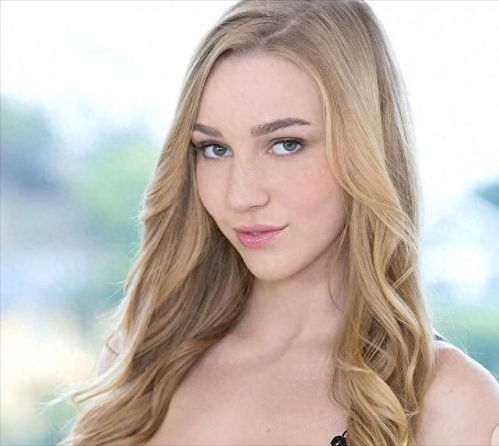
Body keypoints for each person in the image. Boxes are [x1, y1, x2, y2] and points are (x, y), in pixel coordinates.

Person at [57, 1, 499, 445]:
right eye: (214, 149)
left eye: (286, 144)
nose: (241, 196)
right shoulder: (141, 358)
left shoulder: (447, 401)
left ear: (368, 149)